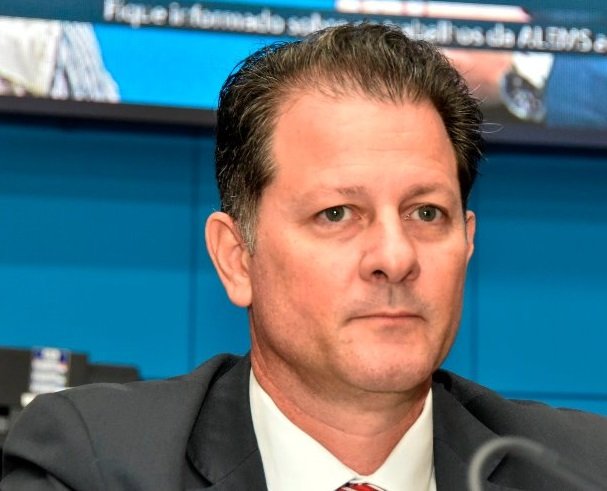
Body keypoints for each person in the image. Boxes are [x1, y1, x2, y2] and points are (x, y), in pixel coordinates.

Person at [2, 23, 607, 491]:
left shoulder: (584, 470)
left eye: (426, 213)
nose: (395, 257)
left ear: (467, 243)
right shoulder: (94, 466)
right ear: (237, 258)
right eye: (337, 214)